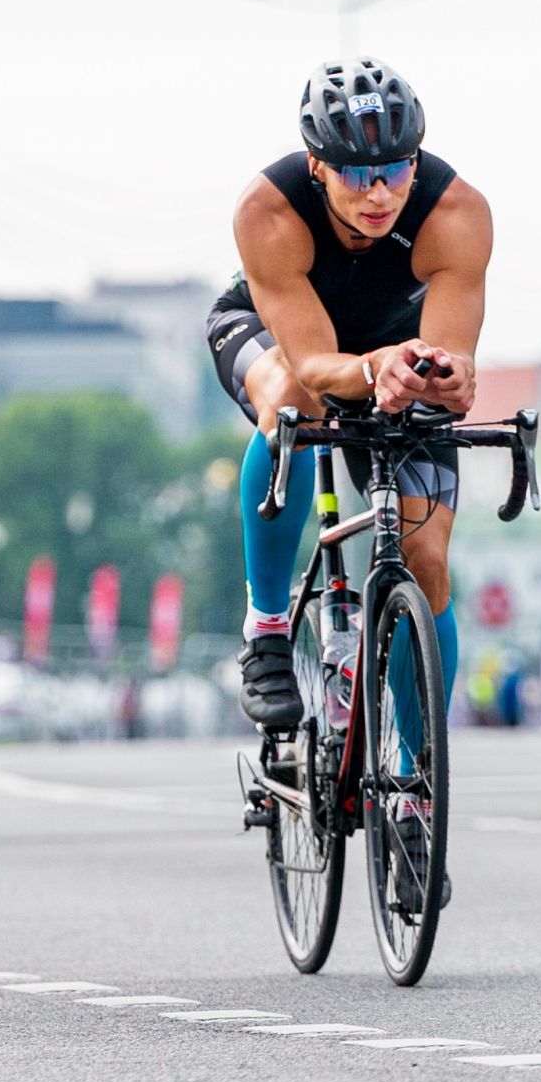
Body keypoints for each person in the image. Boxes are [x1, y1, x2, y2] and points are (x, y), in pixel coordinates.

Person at [204, 59, 492, 907]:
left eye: (396, 168)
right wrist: (375, 369)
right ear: (317, 165)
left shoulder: (456, 214)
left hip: (393, 355)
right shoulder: (269, 211)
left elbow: (452, 357)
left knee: (427, 560)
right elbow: (314, 366)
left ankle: (413, 782)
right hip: (283, 340)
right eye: (358, 173)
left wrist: (449, 377)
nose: (379, 192)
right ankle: (266, 627)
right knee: (290, 404)